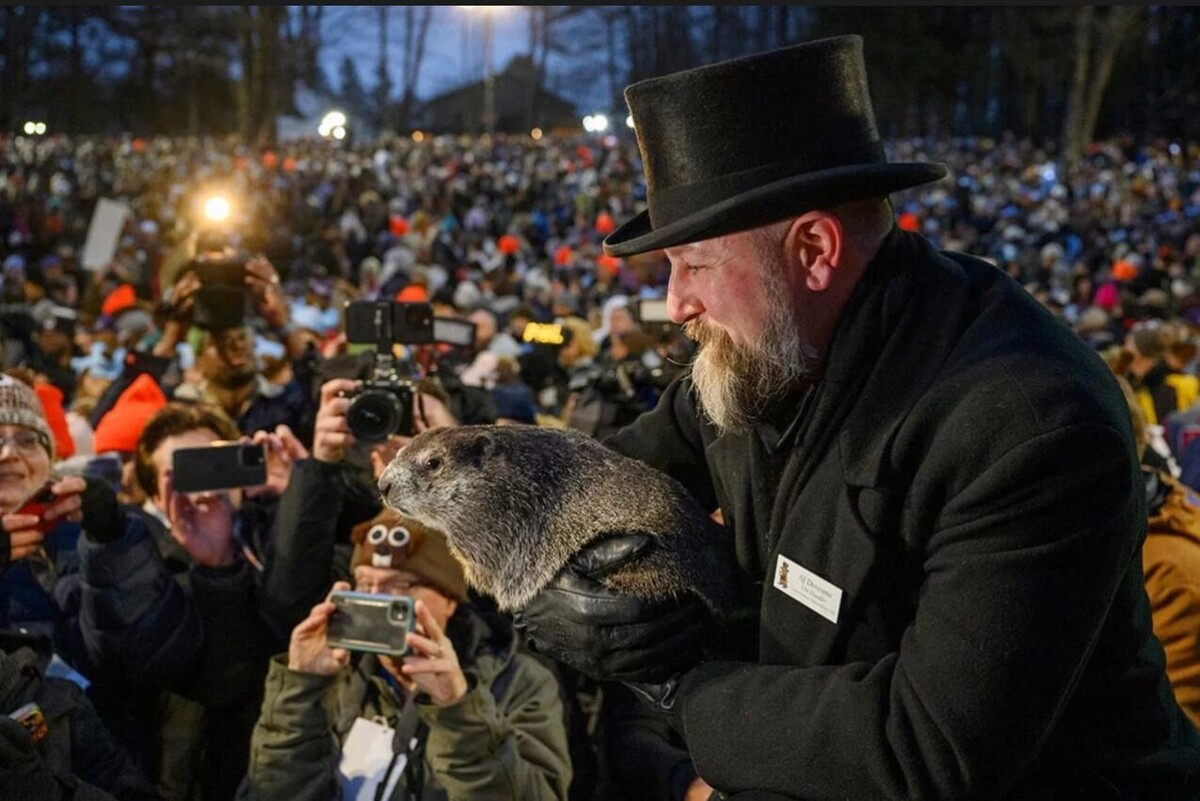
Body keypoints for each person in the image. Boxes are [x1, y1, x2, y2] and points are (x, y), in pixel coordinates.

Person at [512, 35, 1200, 799]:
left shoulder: (1029, 422)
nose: (676, 305)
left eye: (695, 264)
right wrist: (540, 575)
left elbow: (929, 743)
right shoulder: (762, 353)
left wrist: (681, 687)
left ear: (812, 249)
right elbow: (593, 481)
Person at [238, 510, 573, 801]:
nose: (378, 603)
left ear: (450, 599)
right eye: (366, 585)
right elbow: (269, 793)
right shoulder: (337, 675)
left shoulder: (517, 682)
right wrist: (300, 691)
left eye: (401, 589)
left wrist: (459, 710)